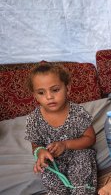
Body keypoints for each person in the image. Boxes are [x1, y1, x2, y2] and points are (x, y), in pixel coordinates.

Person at [24, 63, 97, 194]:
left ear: (67, 88)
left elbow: (91, 139)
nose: (49, 97)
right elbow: (35, 145)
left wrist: (65, 144)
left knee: (84, 158)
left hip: (77, 153)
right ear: (34, 95)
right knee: (45, 168)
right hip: (54, 159)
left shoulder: (77, 113)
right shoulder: (33, 119)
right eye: (41, 92)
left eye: (55, 90)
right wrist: (40, 152)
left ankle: (81, 191)